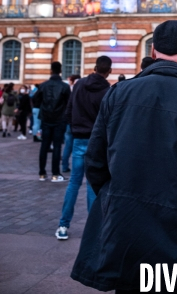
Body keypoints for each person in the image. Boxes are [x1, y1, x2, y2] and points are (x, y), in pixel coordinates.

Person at [71, 20, 177, 293]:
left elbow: (96, 162)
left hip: (127, 228)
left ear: (153, 52)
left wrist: (117, 199)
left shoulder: (119, 92)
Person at [56, 57, 112, 240]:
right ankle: (93, 230)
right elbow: (107, 120)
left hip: (79, 138)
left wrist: (74, 128)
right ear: (109, 71)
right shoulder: (106, 90)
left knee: (73, 183)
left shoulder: (79, 85)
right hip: (96, 141)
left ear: (95, 68)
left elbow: (69, 109)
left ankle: (63, 225)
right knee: (92, 185)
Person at [34, 61, 71, 182]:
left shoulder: (43, 85)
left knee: (44, 145)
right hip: (59, 119)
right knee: (57, 146)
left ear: (51, 70)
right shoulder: (64, 86)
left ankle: (42, 173)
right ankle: (55, 173)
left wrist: (44, 107)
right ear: (60, 71)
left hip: (46, 118)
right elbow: (69, 103)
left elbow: (35, 99)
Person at [62, 74, 81, 173]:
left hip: (70, 123)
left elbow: (67, 110)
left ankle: (65, 166)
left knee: (68, 146)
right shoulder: (82, 94)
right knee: (77, 147)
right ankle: (75, 168)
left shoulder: (70, 93)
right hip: (78, 124)